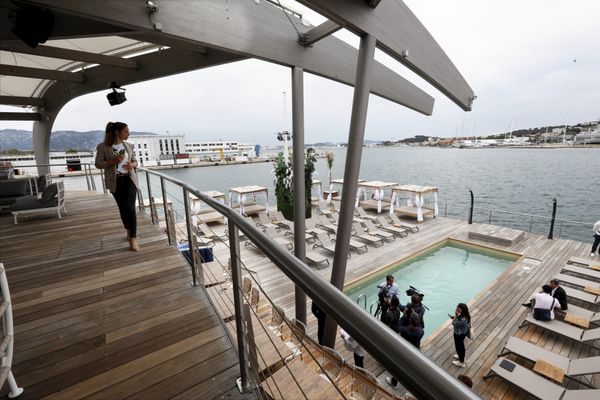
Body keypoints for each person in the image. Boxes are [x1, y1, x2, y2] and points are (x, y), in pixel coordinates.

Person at [95, 122, 140, 251]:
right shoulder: (103, 147)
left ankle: (133, 238)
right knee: (123, 209)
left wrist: (132, 165)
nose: (128, 134)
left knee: (131, 208)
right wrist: (113, 161)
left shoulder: (129, 146)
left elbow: (136, 161)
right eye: (126, 131)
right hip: (115, 182)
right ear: (117, 132)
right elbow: (98, 164)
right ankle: (128, 229)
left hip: (129, 180)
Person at [386, 313, 424, 388]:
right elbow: (422, 326)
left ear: (410, 321)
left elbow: (398, 325)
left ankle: (394, 383)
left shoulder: (404, 330)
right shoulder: (421, 332)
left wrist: (404, 315)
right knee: (410, 367)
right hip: (415, 352)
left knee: (399, 367)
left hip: (404, 352)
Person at [450, 303, 470, 368]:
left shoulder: (462, 319)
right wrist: (456, 317)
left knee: (458, 347)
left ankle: (461, 362)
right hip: (463, 333)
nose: (457, 309)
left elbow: (453, 323)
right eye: (457, 308)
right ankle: (462, 357)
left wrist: (455, 316)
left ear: (462, 310)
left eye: (458, 309)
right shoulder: (466, 316)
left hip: (458, 334)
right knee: (461, 346)